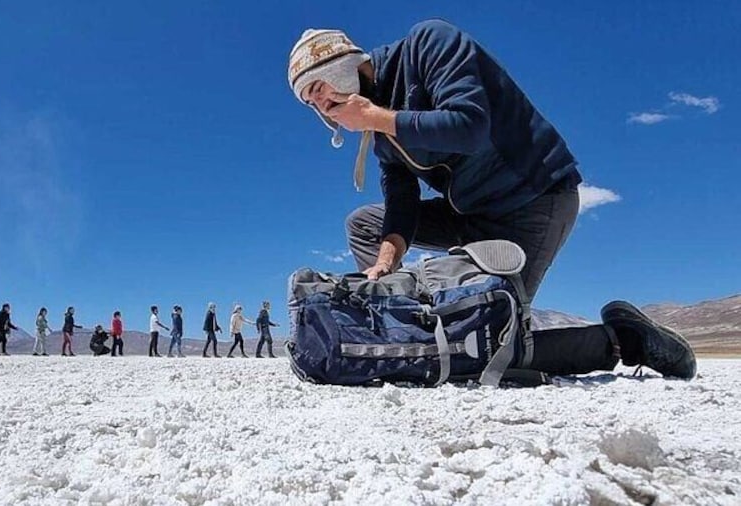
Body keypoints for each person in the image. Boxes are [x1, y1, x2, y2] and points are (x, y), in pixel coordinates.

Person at [286, 22, 695, 379]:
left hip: (533, 201)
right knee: (365, 224)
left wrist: (376, 118)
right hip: (471, 214)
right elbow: (401, 200)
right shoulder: (379, 135)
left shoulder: (428, 44)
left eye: (319, 88)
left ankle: (627, 339)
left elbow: (469, 126)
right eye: (310, 102)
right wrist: (385, 264)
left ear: (343, 63)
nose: (321, 104)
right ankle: (405, 325)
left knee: (493, 344)